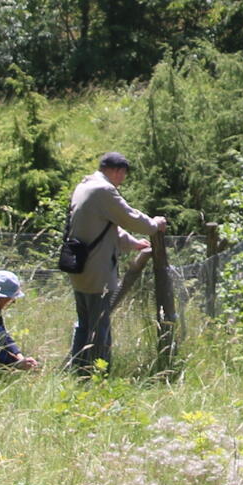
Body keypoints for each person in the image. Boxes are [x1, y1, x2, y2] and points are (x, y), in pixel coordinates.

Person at [64, 151, 163, 375]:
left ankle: (78, 369)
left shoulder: (84, 186)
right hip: (97, 270)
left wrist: (132, 243)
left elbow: (106, 227)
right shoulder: (104, 190)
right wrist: (155, 224)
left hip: (79, 266)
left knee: (84, 323)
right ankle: (98, 374)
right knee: (100, 326)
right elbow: (129, 217)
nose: (122, 181)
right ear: (118, 171)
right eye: (123, 175)